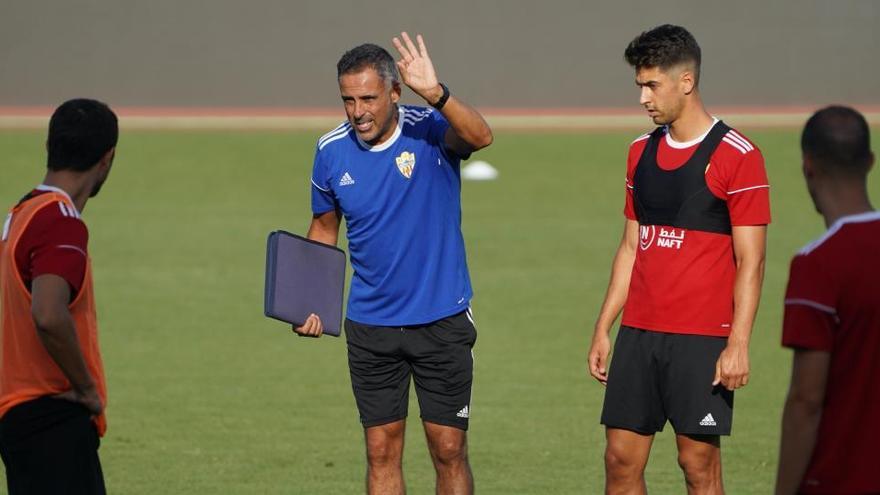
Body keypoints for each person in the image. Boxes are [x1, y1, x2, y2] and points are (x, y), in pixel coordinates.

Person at [295, 32, 492, 495]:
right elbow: (324, 228)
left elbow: (481, 136)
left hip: (440, 318)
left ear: (395, 93)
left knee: (448, 449)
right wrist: (306, 300)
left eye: (368, 98)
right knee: (381, 451)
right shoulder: (330, 151)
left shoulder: (431, 128)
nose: (358, 111)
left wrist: (437, 92)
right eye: (348, 100)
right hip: (371, 326)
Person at [586, 25, 771, 494]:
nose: (643, 98)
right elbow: (631, 245)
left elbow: (752, 261)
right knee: (619, 461)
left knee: (697, 464)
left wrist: (739, 344)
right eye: (639, 86)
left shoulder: (739, 156)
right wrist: (605, 326)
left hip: (702, 339)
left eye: (652, 85)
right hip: (640, 335)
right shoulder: (639, 153)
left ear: (685, 82)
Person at [0, 98, 117, 494]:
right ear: (107, 159)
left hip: (17, 411)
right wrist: (86, 387)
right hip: (51, 410)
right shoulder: (60, 222)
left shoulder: (23, 212)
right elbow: (48, 314)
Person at [775, 106, 879, 494]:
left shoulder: (816, 265)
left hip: (840, 479)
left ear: (808, 166)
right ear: (870, 162)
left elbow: (806, 400)